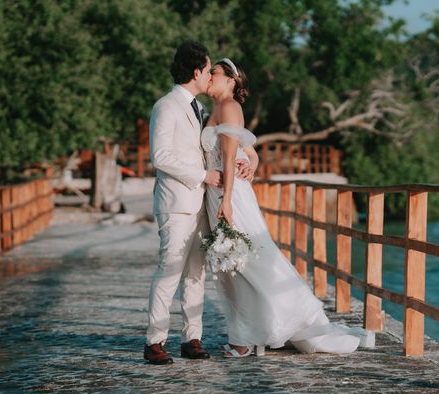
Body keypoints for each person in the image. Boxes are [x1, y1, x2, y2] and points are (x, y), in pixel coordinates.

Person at [202, 58, 362, 358]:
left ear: (231, 80)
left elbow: (227, 155)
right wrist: (254, 163)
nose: (210, 76)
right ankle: (245, 336)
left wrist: (226, 199)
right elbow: (247, 150)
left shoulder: (228, 108)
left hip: (229, 195)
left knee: (247, 261)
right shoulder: (218, 108)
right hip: (220, 192)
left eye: (215, 73)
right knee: (236, 264)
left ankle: (256, 334)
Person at [144, 40, 224, 365]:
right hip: (177, 202)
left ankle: (192, 338)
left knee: (196, 272)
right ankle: (154, 341)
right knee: (170, 269)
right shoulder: (165, 106)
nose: (210, 76)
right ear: (196, 71)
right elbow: (160, 156)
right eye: (207, 70)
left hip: (201, 204)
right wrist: (203, 176)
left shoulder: (199, 109)